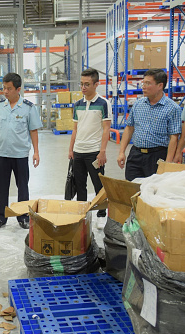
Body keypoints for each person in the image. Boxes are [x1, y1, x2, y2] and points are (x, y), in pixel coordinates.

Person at [0, 72, 41, 230]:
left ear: (18, 89)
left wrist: (36, 152)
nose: (5, 91)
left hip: (20, 155)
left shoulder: (28, 108)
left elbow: (33, 131)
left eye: (9, 88)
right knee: (1, 187)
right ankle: (0, 217)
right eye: (4, 88)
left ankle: (23, 217)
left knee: (22, 187)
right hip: (2, 153)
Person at [117, 69, 182, 181]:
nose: (143, 86)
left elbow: (174, 137)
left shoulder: (172, 108)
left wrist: (167, 163)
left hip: (157, 156)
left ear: (160, 85)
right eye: (143, 83)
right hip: (136, 154)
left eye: (148, 83)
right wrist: (122, 152)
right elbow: (129, 128)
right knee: (131, 188)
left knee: (154, 190)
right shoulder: (138, 104)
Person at [68, 68, 111, 226]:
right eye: (81, 84)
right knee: (80, 185)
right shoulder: (78, 104)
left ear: (96, 84)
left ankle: (101, 214)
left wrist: (102, 151)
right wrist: (71, 149)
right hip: (78, 152)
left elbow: (106, 129)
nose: (83, 87)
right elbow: (75, 129)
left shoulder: (103, 103)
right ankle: (82, 213)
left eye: (87, 84)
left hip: (94, 152)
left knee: (99, 185)